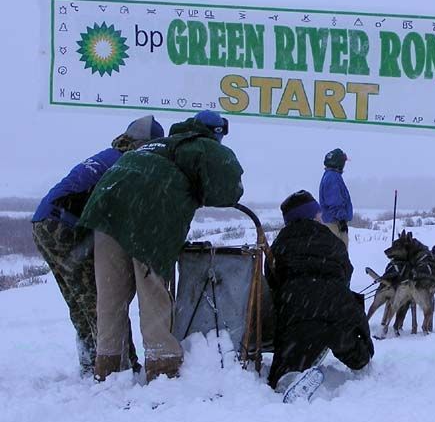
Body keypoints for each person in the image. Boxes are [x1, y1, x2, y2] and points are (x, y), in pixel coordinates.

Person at [79, 110, 244, 383]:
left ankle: (108, 366)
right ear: (216, 133)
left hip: (105, 205)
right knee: (153, 291)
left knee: (111, 295)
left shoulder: (161, 146)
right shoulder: (202, 145)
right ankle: (162, 367)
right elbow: (228, 188)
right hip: (148, 212)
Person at [31, 115, 164, 377]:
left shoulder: (109, 155)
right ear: (146, 145)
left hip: (43, 223)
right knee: (103, 298)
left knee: (78, 299)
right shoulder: (128, 163)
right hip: (65, 226)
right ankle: (119, 366)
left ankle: (90, 361)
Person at [266, 190, 374, 394]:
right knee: (358, 353)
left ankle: (289, 377)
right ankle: (360, 360)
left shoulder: (279, 244)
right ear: (311, 215)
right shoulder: (333, 241)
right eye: (318, 213)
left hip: (298, 311)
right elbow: (346, 274)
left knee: (287, 364)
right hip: (337, 310)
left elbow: (272, 280)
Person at [319, 148, 353, 248]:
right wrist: (342, 220)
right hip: (335, 224)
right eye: (343, 162)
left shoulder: (331, 176)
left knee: (336, 257)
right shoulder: (332, 177)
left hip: (334, 222)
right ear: (338, 162)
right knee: (338, 257)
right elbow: (335, 201)